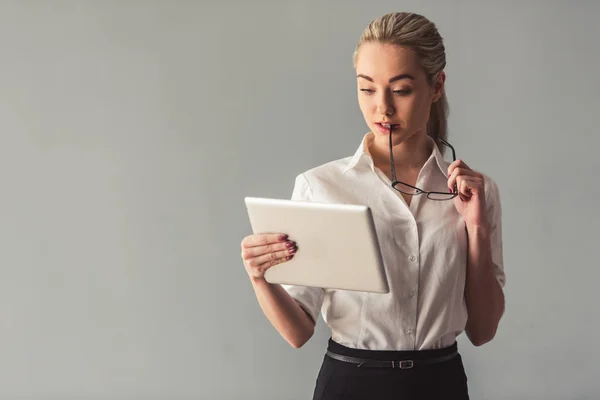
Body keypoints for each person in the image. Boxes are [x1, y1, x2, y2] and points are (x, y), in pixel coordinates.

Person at [240, 11, 506, 400]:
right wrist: (259, 277)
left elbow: (482, 332)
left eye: (400, 90)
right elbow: (298, 331)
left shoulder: (473, 193)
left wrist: (477, 228)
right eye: (367, 89)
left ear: (436, 86)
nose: (383, 108)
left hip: (441, 384)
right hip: (351, 384)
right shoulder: (321, 186)